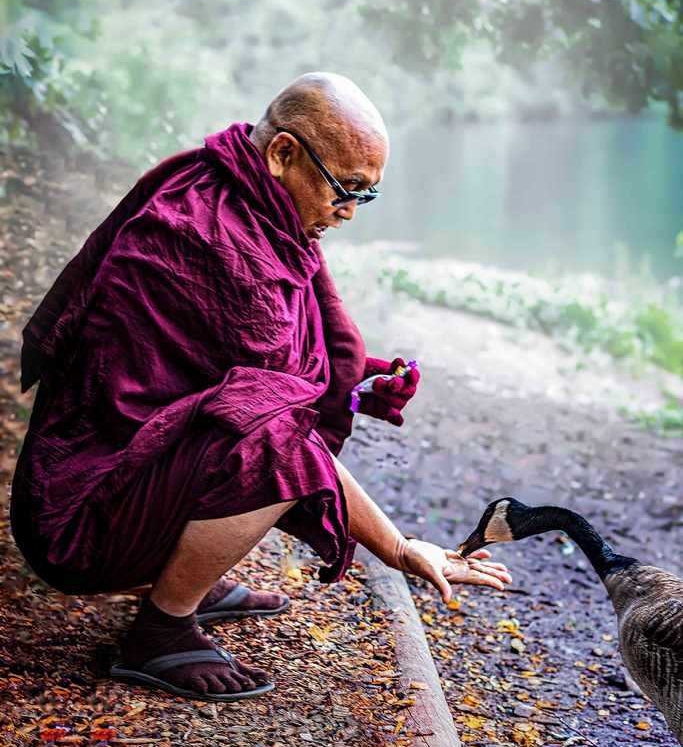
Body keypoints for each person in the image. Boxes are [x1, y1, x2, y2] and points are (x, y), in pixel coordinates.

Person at [11, 72, 511, 702]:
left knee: (272, 424)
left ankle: (181, 570)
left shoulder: (234, 191)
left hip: (122, 474)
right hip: (79, 515)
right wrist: (400, 548)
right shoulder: (215, 237)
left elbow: (219, 364)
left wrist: (352, 382)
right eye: (346, 190)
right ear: (282, 154)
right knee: (273, 445)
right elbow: (280, 424)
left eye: (368, 194)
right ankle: (161, 632)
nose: (350, 212)